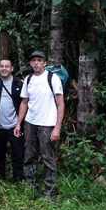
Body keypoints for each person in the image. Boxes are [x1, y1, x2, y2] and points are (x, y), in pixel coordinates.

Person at [14, 51, 65, 198]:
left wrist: (57, 127)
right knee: (29, 155)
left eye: (39, 60)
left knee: (48, 157)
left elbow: (60, 104)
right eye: (33, 60)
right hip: (30, 122)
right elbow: (24, 102)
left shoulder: (52, 78)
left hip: (47, 123)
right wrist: (18, 123)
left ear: (44, 63)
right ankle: (30, 186)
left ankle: (50, 191)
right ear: (30, 63)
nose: (36, 63)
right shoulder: (28, 79)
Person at [0, 59, 24, 182]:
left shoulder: (19, 84)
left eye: (7, 66)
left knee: (18, 153)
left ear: (11, 68)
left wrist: (20, 123)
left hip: (15, 125)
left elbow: (25, 103)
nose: (4, 68)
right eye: (1, 66)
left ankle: (19, 180)